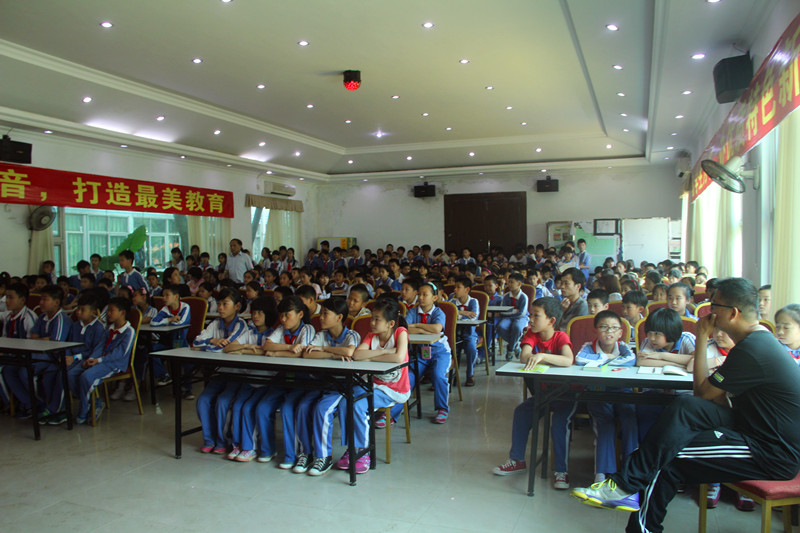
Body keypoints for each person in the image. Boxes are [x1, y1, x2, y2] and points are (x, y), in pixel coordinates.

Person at [572, 278, 800, 533]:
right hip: (751, 427)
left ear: (733, 313)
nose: (709, 312)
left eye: (715, 307)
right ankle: (627, 485)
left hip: (771, 451)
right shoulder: (755, 343)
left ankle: (630, 498)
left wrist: (702, 337)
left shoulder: (753, 349)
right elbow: (705, 397)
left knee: (669, 455)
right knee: (685, 406)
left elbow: (702, 391)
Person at [493, 297, 573, 477]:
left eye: (536, 316)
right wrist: (535, 355)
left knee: (559, 424)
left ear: (551, 320)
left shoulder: (561, 337)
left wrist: (542, 357)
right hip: (544, 394)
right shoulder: (532, 335)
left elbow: (568, 360)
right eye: (530, 314)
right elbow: (524, 356)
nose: (530, 319)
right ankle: (517, 460)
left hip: (565, 395)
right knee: (521, 412)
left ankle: (561, 470)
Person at [331, 296, 409, 474]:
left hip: (393, 389)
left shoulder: (400, 332)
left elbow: (398, 358)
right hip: (372, 384)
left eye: (377, 319)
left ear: (390, 323)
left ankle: (363, 451)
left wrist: (373, 354)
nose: (372, 322)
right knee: (345, 401)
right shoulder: (370, 335)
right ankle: (352, 448)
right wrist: (385, 352)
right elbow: (357, 355)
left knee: (358, 405)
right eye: (372, 317)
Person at [294, 297, 361, 474]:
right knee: (302, 407)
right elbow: (307, 355)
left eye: (325, 314)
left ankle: (324, 456)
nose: (320, 317)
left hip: (340, 385)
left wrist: (322, 350)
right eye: (321, 313)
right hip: (320, 382)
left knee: (322, 410)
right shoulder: (321, 335)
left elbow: (349, 352)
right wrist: (331, 354)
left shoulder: (351, 335)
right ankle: (305, 453)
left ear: (339, 317)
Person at [575, 311, 637, 483]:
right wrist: (607, 357)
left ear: (620, 333)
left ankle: (630, 471)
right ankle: (602, 474)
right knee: (605, 424)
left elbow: (630, 360)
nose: (609, 331)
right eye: (603, 327)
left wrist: (598, 360)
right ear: (596, 330)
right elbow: (580, 360)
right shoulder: (588, 346)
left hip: (623, 394)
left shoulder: (624, 347)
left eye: (614, 328)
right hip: (598, 393)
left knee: (630, 420)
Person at [254, 296, 316, 468]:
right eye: (281, 315)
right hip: (281, 379)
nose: (282, 319)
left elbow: (302, 353)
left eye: (287, 315)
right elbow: (267, 345)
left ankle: (292, 454)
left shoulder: (307, 329)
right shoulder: (282, 329)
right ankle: (268, 449)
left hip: (302, 380)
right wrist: (288, 348)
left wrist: (276, 353)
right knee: (263, 407)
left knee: (288, 409)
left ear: (300, 314)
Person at [221, 296, 279, 462]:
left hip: (268, 381)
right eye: (254, 312)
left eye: (260, 313)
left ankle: (249, 447)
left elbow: (266, 351)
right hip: (250, 379)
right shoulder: (250, 332)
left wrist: (244, 351)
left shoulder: (274, 334)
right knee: (238, 405)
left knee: (248, 408)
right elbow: (229, 348)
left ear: (268, 314)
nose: (255, 316)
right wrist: (247, 346)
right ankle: (238, 445)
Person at [193, 288, 249, 453]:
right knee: (203, 400)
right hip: (219, 372)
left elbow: (226, 349)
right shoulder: (215, 324)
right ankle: (209, 439)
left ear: (237, 306)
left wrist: (207, 346)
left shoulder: (241, 325)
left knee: (223, 401)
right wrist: (212, 340)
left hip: (236, 374)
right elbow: (196, 342)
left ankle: (222, 440)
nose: (220, 308)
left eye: (225, 304)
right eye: (218, 303)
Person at [4, 285, 70, 420]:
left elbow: (54, 344)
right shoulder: (42, 317)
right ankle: (30, 402)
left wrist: (43, 339)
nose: (40, 302)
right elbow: (33, 338)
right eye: (41, 299)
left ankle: (38, 404)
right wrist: (45, 339)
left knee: (24, 371)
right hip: (37, 354)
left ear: (56, 302)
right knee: (8, 370)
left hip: (53, 358)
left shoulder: (61, 319)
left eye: (44, 299)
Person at [41, 292, 107, 425]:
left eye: (83, 310)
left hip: (86, 359)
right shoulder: (76, 325)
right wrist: (67, 355)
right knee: (50, 373)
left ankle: (58, 409)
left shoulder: (99, 328)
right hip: (72, 358)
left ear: (93, 312)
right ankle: (59, 407)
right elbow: (69, 344)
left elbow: (95, 350)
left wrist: (75, 357)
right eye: (78, 309)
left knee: (66, 375)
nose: (78, 312)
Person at [68, 297, 136, 424]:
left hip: (114, 364)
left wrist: (99, 360)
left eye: (111, 311)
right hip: (100, 360)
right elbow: (100, 346)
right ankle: (94, 403)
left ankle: (83, 410)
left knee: (86, 377)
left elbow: (120, 353)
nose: (108, 313)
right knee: (70, 374)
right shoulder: (108, 328)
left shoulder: (129, 331)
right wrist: (92, 359)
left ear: (122, 313)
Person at [391, 282, 451, 424]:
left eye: (425, 295)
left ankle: (442, 409)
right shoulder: (413, 311)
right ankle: (392, 414)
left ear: (435, 298)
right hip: (419, 354)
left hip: (439, 352)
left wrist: (417, 326)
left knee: (438, 375)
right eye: (420, 294)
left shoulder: (438, 312)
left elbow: (437, 329)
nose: (421, 298)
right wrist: (424, 329)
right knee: (407, 378)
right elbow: (405, 329)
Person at [450, 276, 480, 386]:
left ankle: (470, 374)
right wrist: (463, 313)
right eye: (455, 287)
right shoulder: (452, 301)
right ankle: (453, 374)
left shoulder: (473, 302)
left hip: (469, 333)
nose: (455, 290)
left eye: (458, 287)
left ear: (467, 289)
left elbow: (473, 317)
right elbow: (449, 315)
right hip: (454, 334)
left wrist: (457, 314)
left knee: (471, 348)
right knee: (452, 350)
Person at [497, 272, 530, 361]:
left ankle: (510, 349)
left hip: (521, 318)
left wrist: (509, 311)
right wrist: (515, 311)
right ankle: (514, 345)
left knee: (518, 327)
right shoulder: (506, 296)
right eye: (508, 282)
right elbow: (502, 311)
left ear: (519, 284)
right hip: (508, 318)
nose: (509, 284)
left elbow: (522, 313)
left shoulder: (524, 297)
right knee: (500, 327)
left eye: (512, 282)